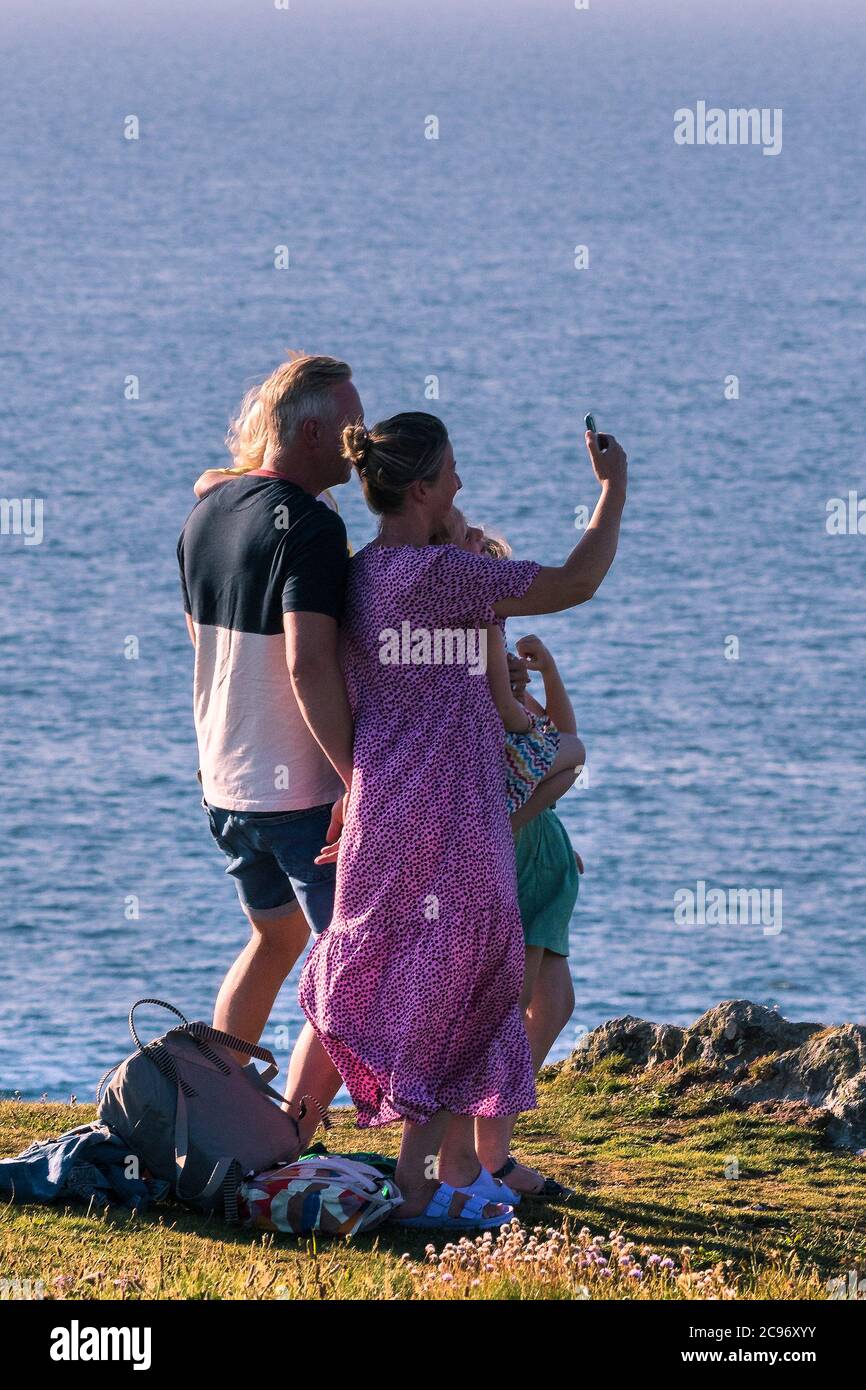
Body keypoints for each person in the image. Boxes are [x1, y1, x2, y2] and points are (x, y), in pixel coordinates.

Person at [301, 412, 627, 1228]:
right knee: (464, 986)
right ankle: (421, 1184)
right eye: (450, 473)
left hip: (381, 806)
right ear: (419, 489)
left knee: (400, 976)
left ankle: (400, 1172)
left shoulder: (366, 574)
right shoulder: (444, 575)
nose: (461, 483)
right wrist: (614, 489)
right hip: (454, 814)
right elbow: (578, 580)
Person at [176, 356, 360, 1128]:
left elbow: (203, 641)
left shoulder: (207, 514)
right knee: (357, 963)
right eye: (352, 426)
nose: (363, 441)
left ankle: (209, 1114)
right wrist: (357, 778)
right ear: (311, 431)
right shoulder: (313, 528)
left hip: (223, 777)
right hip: (297, 790)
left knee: (276, 935)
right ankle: (286, 1139)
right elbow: (306, 659)